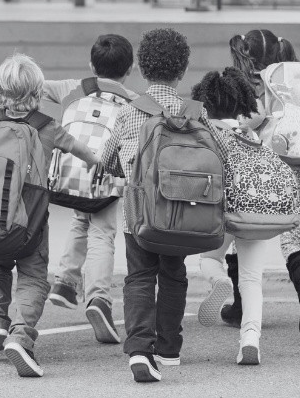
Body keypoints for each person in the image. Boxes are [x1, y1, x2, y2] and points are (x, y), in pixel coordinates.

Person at [0, 53, 100, 377]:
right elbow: (82, 151)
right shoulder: (47, 127)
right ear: (38, 94)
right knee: (33, 276)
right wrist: (99, 162)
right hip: (30, 223)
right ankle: (20, 336)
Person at [208, 29, 300, 343]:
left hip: (256, 171)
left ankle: (242, 304)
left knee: (241, 230)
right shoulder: (295, 84)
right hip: (296, 169)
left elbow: (247, 122)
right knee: (292, 241)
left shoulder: (254, 88)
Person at [97, 28, 198, 382]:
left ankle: (140, 349)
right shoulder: (193, 113)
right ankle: (169, 349)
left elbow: (106, 160)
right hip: (179, 213)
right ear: (182, 70)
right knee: (173, 275)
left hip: (137, 214)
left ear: (140, 68)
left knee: (139, 277)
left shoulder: (128, 112)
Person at [42, 34, 139, 346]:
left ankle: (65, 282)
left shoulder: (73, 87)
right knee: (102, 234)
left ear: (91, 65)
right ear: (131, 68)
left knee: (81, 218)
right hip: (107, 177)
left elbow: (35, 85)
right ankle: (99, 300)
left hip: (71, 175)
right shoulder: (134, 101)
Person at [194, 67, 286, 365]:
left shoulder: (208, 132)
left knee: (209, 259)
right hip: (255, 211)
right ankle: (250, 339)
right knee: (251, 279)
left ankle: (219, 280)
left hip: (223, 211)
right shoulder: (251, 135)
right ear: (243, 103)